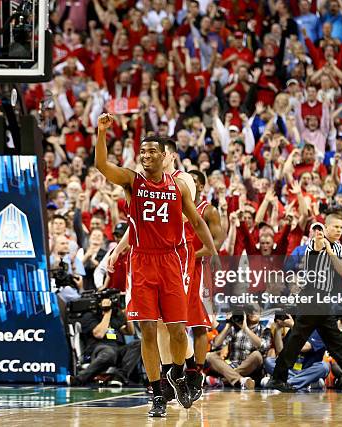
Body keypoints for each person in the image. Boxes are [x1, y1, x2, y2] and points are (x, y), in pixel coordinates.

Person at [95, 113, 218, 417]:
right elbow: (102, 166)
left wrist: (212, 249)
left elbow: (197, 220)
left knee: (178, 331)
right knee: (148, 331)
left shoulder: (178, 187)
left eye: (153, 152)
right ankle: (157, 393)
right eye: (143, 152)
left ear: (165, 157)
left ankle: (177, 370)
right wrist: (101, 133)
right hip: (142, 261)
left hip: (171, 261)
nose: (147, 156)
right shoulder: (132, 181)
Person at [266, 212, 342, 392]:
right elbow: (317, 246)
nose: (338, 230)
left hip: (323, 299)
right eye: (334, 226)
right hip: (311, 296)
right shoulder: (313, 242)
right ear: (326, 228)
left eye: (341, 227)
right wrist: (323, 243)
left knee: (332, 342)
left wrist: (331, 251)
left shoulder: (338, 248)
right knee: (302, 339)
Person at [186, 169, 225, 400]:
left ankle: (197, 373)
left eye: (192, 182)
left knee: (199, 326)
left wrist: (191, 255)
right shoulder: (176, 207)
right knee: (174, 325)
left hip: (198, 269)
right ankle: (177, 370)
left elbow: (216, 242)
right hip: (177, 267)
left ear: (201, 186)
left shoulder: (208, 210)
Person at [71, 297, 141, 386]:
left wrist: (128, 316)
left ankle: (119, 377)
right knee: (109, 352)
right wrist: (107, 312)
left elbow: (130, 332)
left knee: (138, 344)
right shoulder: (89, 316)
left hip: (118, 349)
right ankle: (79, 379)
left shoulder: (114, 317)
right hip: (100, 348)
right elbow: (99, 334)